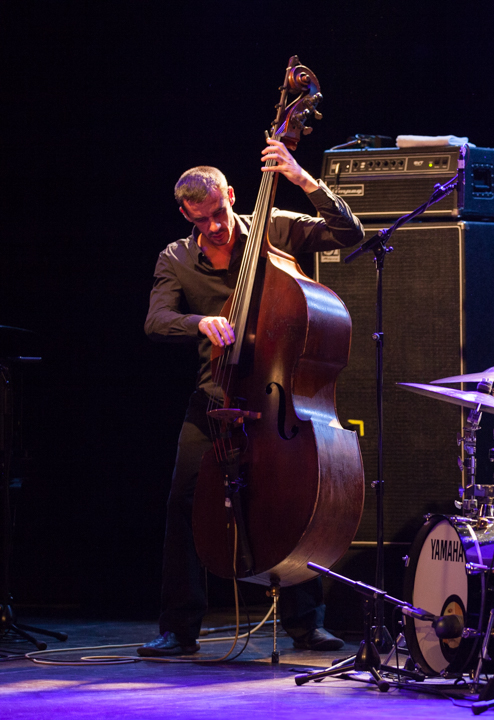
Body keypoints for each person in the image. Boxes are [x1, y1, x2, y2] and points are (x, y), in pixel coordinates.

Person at [140, 138, 365, 656]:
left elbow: (347, 234)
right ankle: (179, 628)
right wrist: (201, 321)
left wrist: (302, 178)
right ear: (186, 214)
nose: (216, 227)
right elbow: (155, 321)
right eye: (203, 220)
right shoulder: (175, 258)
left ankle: (307, 623)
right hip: (216, 398)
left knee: (294, 497)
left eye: (220, 213)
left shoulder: (274, 226)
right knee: (184, 503)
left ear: (232, 195)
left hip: (277, 397)